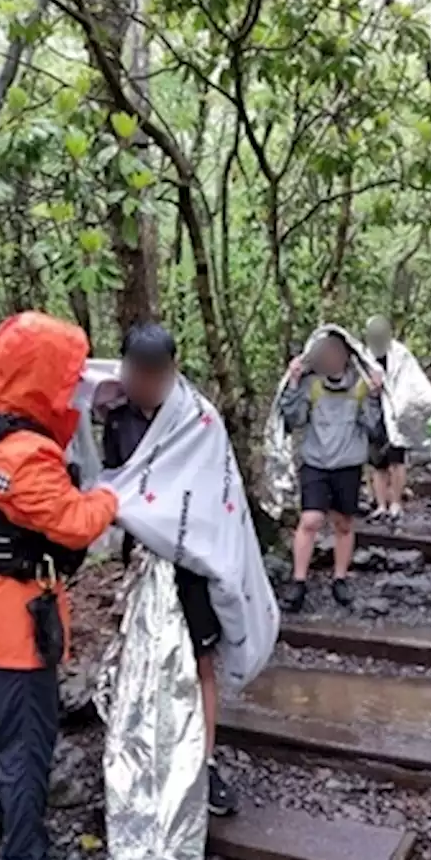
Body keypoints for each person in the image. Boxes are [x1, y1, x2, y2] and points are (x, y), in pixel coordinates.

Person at [0, 312, 119, 860]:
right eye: (66, 374)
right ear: (42, 376)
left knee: (16, 722)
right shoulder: (22, 454)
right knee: (30, 741)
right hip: (12, 618)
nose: (73, 385)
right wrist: (109, 494)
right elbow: (75, 525)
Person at [101, 321, 238, 817]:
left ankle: (204, 764)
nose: (148, 383)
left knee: (200, 660)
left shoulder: (197, 420)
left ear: (173, 372)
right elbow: (120, 484)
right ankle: (146, 759)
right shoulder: (116, 417)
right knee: (144, 657)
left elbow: (216, 491)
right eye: (139, 373)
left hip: (190, 562)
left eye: (157, 374)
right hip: (141, 560)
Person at [280, 332, 384, 612]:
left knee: (343, 523)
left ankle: (340, 578)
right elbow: (294, 419)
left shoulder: (360, 386)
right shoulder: (311, 385)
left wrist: (375, 397)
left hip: (348, 465)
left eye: (336, 353)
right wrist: (292, 382)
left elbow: (374, 428)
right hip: (315, 462)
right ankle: (299, 581)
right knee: (310, 520)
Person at [363, 315, 407, 522]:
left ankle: (396, 502)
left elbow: (410, 382)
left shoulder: (399, 354)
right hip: (373, 414)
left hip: (396, 414)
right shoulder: (363, 356)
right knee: (377, 462)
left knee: (397, 460)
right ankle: (381, 504)